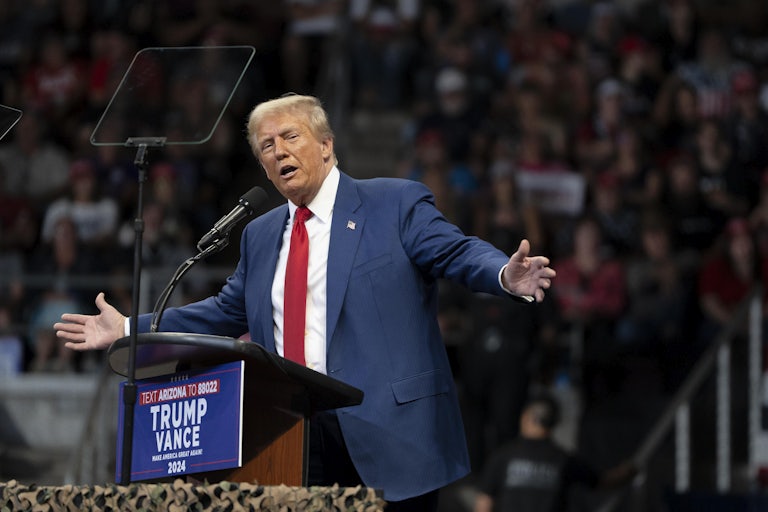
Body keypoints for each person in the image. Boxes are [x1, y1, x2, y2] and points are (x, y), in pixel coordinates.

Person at [54, 94, 556, 510]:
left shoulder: (394, 202)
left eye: (289, 137)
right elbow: (226, 311)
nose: (277, 152)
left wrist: (502, 274)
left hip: (388, 428)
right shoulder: (260, 233)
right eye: (266, 147)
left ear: (326, 146)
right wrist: (126, 329)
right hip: (292, 431)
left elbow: (456, 251)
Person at [473, 391, 636, 512]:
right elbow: (602, 481)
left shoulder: (503, 456)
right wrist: (628, 470)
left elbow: (484, 503)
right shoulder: (564, 460)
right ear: (555, 423)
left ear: (525, 417)